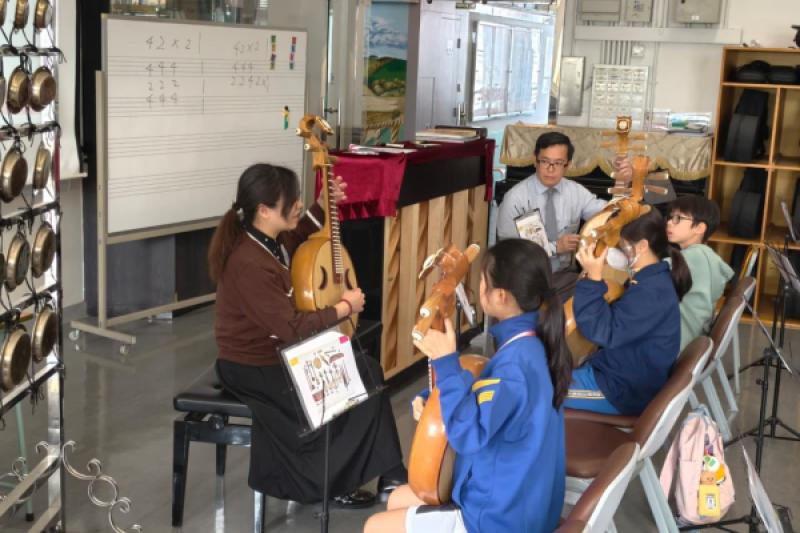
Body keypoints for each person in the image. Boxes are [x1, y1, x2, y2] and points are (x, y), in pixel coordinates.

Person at [210, 163, 406, 508]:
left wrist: (323, 204)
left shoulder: (267, 240)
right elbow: (290, 329)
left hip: (277, 357)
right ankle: (350, 480)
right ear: (264, 210)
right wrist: (344, 307)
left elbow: (298, 235)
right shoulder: (248, 262)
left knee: (366, 370)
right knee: (352, 380)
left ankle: (388, 475)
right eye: (291, 200)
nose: (298, 204)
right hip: (254, 368)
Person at [364, 239, 572, 533]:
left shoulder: (514, 365)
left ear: (500, 296)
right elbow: (489, 394)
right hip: (527, 500)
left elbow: (468, 435)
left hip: (500, 519)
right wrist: (434, 396)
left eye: (483, 282)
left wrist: (446, 363)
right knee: (397, 498)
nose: (479, 288)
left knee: (375, 526)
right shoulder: (533, 343)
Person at [565, 209, 692, 416]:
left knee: (538, 391)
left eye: (622, 246)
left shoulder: (651, 292)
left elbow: (602, 332)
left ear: (642, 246)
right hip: (621, 373)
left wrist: (593, 280)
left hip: (620, 390)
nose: (618, 251)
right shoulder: (652, 279)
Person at [496, 132, 607, 274]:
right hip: (524, 274)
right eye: (545, 161)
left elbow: (606, 214)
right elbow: (509, 249)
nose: (550, 169)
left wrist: (624, 183)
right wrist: (555, 247)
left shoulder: (576, 192)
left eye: (558, 163)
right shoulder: (515, 198)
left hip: (564, 274)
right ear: (535, 160)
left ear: (567, 165)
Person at [666, 196, 734, 349]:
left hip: (680, 340)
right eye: (670, 217)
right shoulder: (706, 255)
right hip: (695, 336)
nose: (669, 222)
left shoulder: (693, 257)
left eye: (678, 218)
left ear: (699, 228)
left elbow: (649, 274)